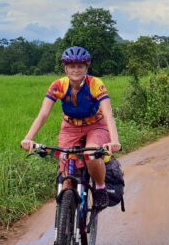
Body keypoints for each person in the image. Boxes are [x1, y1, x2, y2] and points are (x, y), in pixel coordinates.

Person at [21, 46, 121, 208]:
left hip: (96, 125)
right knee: (66, 170)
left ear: (86, 67)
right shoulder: (58, 85)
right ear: (65, 68)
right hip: (70, 126)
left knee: (91, 155)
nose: (76, 70)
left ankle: (101, 188)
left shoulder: (95, 84)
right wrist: (29, 138)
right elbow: (43, 114)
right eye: (71, 66)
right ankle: (66, 220)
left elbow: (108, 114)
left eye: (80, 66)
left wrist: (114, 141)